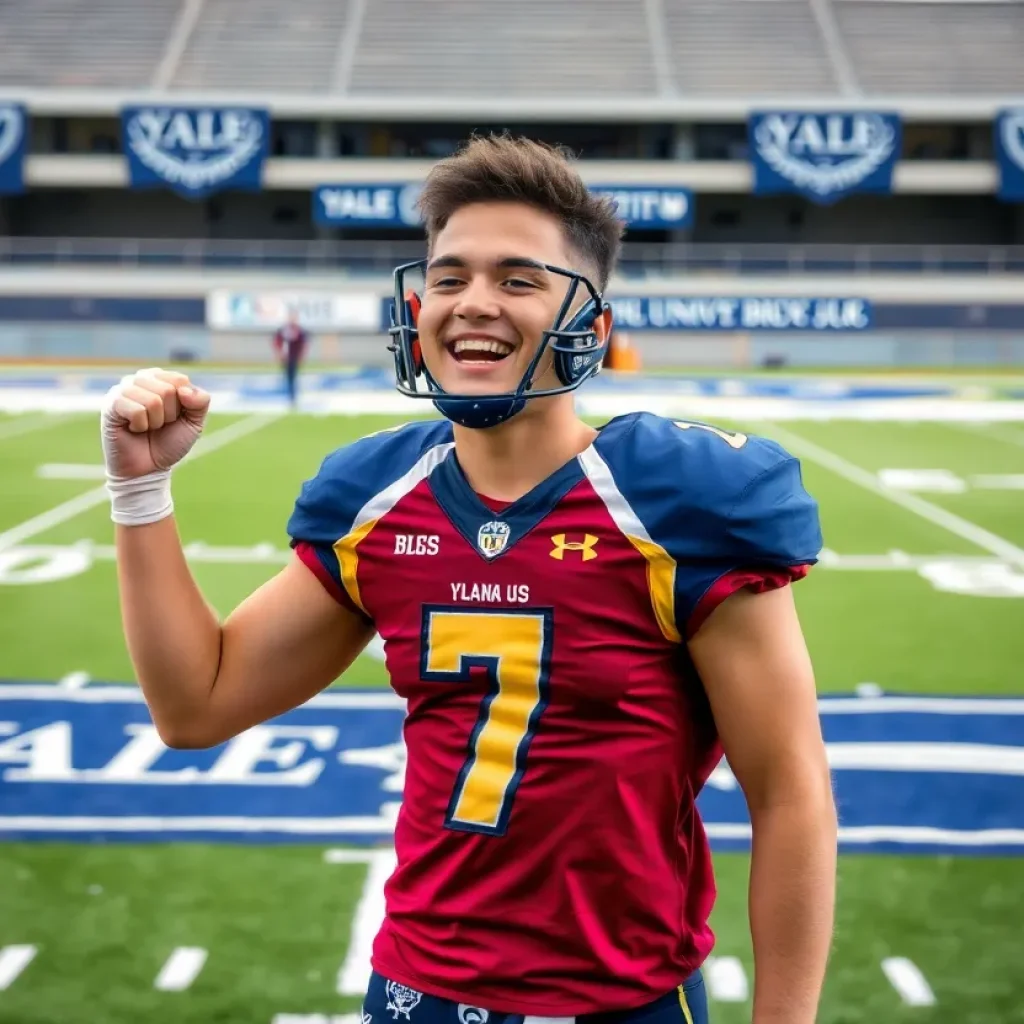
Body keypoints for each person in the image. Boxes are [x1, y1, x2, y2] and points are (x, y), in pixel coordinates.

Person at [100, 135, 837, 1024]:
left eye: (517, 279)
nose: (471, 303)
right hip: (415, 993)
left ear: (590, 325)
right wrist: (139, 489)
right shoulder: (379, 497)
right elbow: (196, 706)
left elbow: (790, 792)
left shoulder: (681, 503)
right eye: (448, 279)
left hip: (618, 1000)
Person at [272, 310, 309, 408]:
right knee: (288, 377)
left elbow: (304, 344)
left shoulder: (299, 331)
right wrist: (279, 353)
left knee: (293, 378)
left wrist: (301, 356)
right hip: (286, 358)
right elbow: (277, 341)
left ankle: (293, 397)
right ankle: (290, 396)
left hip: (294, 357)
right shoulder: (284, 330)